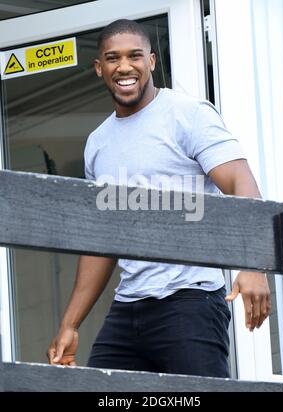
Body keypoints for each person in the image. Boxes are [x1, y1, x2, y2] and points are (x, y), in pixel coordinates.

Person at [47, 19, 271, 377]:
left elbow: (241, 185)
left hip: (189, 300)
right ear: (99, 67)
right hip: (128, 305)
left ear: (151, 61)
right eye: (113, 58)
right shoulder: (98, 143)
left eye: (135, 56)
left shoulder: (189, 114)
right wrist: (70, 323)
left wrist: (254, 265)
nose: (124, 67)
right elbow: (102, 239)